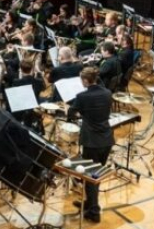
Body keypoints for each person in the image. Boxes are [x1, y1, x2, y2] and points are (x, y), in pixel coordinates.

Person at [66, 67, 113, 223]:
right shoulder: (107, 93)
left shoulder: (82, 96)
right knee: (96, 175)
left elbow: (71, 113)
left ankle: (94, 211)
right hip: (106, 139)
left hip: (92, 141)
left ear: (86, 80)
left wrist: (80, 114)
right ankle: (90, 203)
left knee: (90, 176)